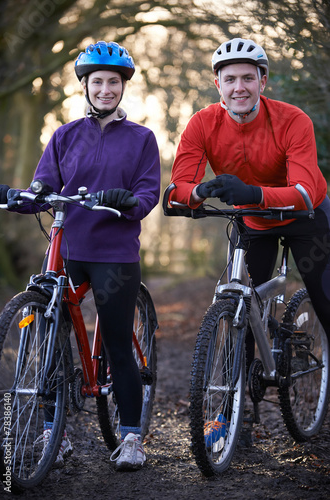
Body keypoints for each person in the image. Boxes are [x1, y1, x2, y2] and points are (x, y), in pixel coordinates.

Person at [0, 41, 161, 470]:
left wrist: (127, 200)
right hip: (68, 247)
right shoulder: (65, 136)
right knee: (51, 338)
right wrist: (17, 197)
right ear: (84, 86)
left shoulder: (142, 138)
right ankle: (54, 430)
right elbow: (43, 189)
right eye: (97, 82)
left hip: (115, 253)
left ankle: (130, 438)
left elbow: (147, 194)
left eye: (113, 82)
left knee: (119, 346)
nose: (105, 89)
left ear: (123, 86)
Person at [169, 37, 330, 433]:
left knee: (327, 302)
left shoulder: (293, 120)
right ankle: (229, 415)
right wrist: (199, 192)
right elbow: (178, 188)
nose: (238, 87)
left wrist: (253, 192)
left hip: (305, 217)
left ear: (263, 81)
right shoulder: (203, 123)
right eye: (230, 79)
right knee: (240, 310)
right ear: (217, 84)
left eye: (247, 78)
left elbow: (306, 190)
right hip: (253, 221)